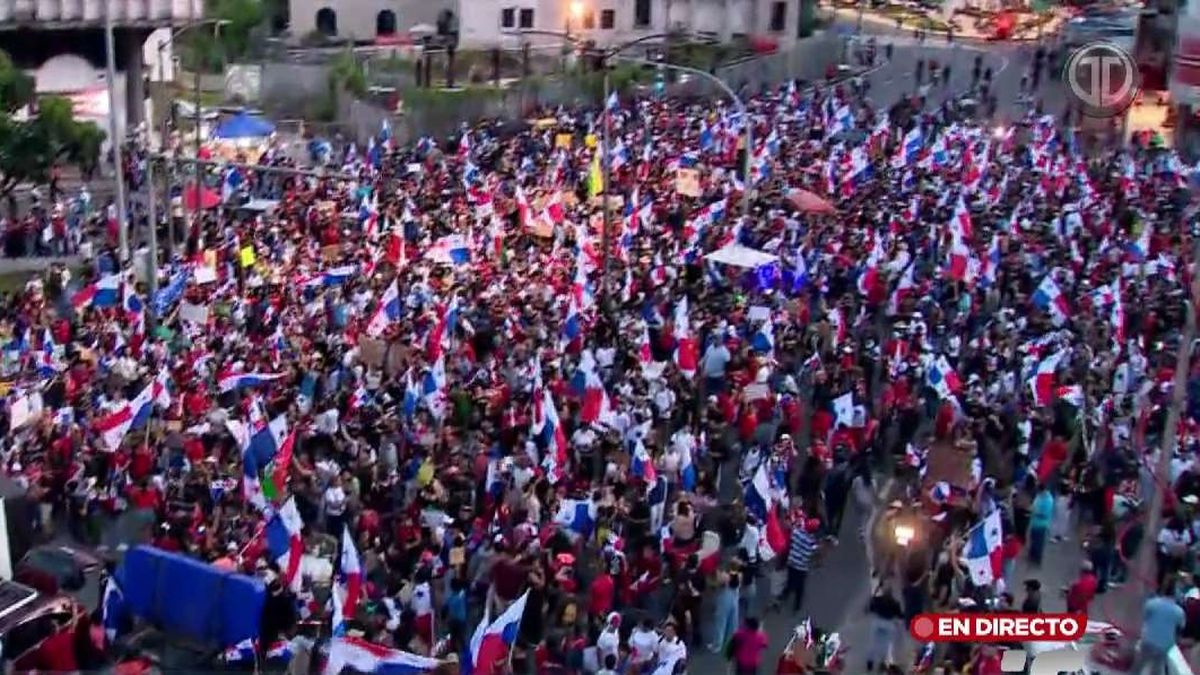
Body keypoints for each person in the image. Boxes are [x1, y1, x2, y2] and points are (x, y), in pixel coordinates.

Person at [1135, 594, 1186, 675]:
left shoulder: (1152, 603)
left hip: (1148, 639)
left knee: (1139, 665)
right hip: (1164, 645)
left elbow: (1144, 617)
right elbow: (1180, 628)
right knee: (1157, 668)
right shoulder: (1179, 611)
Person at [780, 518, 819, 613]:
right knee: (800, 587)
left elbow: (792, 532)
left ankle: (785, 594)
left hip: (792, 562)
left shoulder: (797, 533)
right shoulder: (812, 542)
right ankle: (797, 605)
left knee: (790, 579)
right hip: (801, 567)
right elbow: (814, 553)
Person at [865, 583, 903, 672]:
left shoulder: (877, 600)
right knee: (886, 644)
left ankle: (870, 662)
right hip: (888, 623)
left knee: (873, 642)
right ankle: (882, 662)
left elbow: (870, 609)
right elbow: (900, 615)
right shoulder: (895, 603)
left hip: (878, 622)